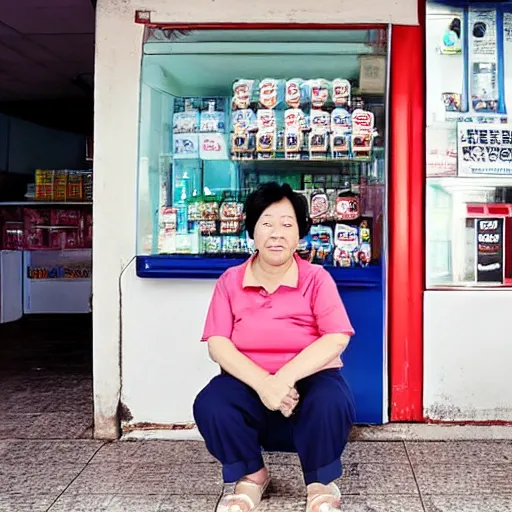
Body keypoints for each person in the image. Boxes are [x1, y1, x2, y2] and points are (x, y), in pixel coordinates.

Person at [193, 182, 356, 512]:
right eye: (267, 223)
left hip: (309, 382)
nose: (276, 234)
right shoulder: (230, 281)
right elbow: (218, 344)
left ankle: (321, 484)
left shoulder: (317, 279)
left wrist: (282, 379)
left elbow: (337, 336)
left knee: (331, 400)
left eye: (287, 224)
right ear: (252, 230)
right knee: (212, 403)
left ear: (300, 233)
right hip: (249, 384)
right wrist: (264, 383)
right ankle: (252, 476)